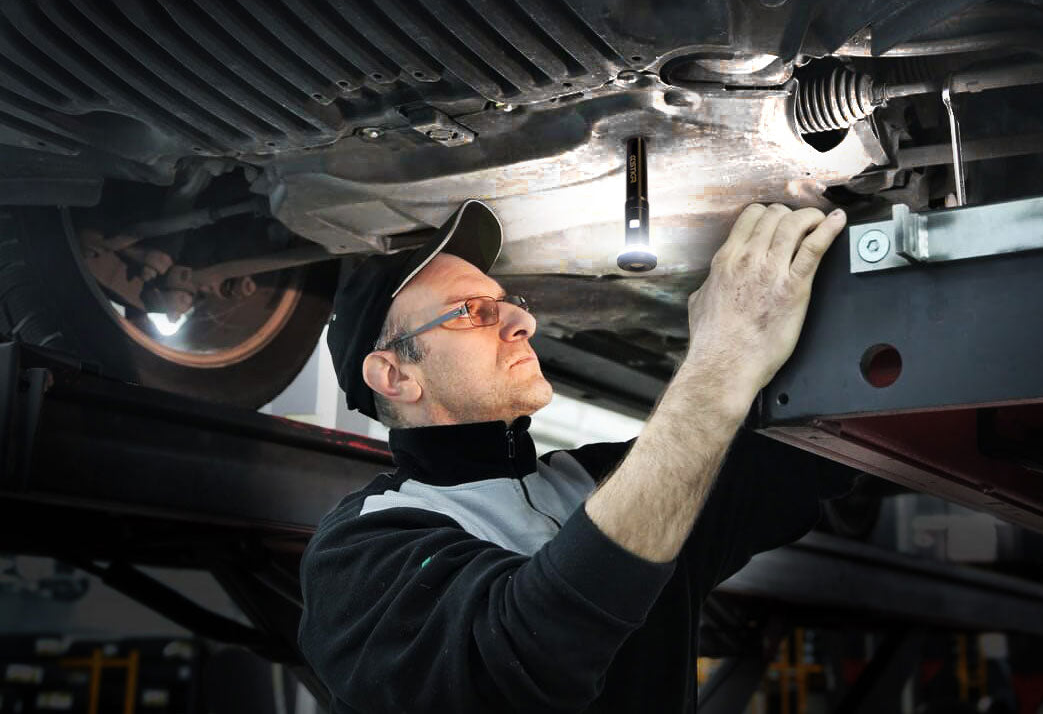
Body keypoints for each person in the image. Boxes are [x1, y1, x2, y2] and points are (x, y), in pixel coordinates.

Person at [298, 199, 855, 713]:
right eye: (471, 310)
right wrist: (722, 359)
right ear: (394, 375)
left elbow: (806, 454)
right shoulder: (364, 546)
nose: (524, 322)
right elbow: (529, 652)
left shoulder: (595, 479)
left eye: (507, 303)